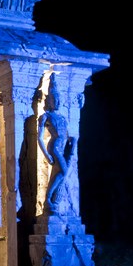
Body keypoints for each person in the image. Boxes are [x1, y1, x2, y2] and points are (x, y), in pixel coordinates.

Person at [37, 74, 76, 212]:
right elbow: (39, 138)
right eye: (55, 99)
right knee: (64, 172)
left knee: (59, 174)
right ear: (49, 100)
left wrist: (73, 143)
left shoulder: (62, 117)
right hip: (54, 148)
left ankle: (52, 200)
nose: (57, 102)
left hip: (63, 147)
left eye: (59, 99)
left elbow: (67, 136)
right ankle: (47, 199)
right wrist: (46, 155)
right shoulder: (45, 116)